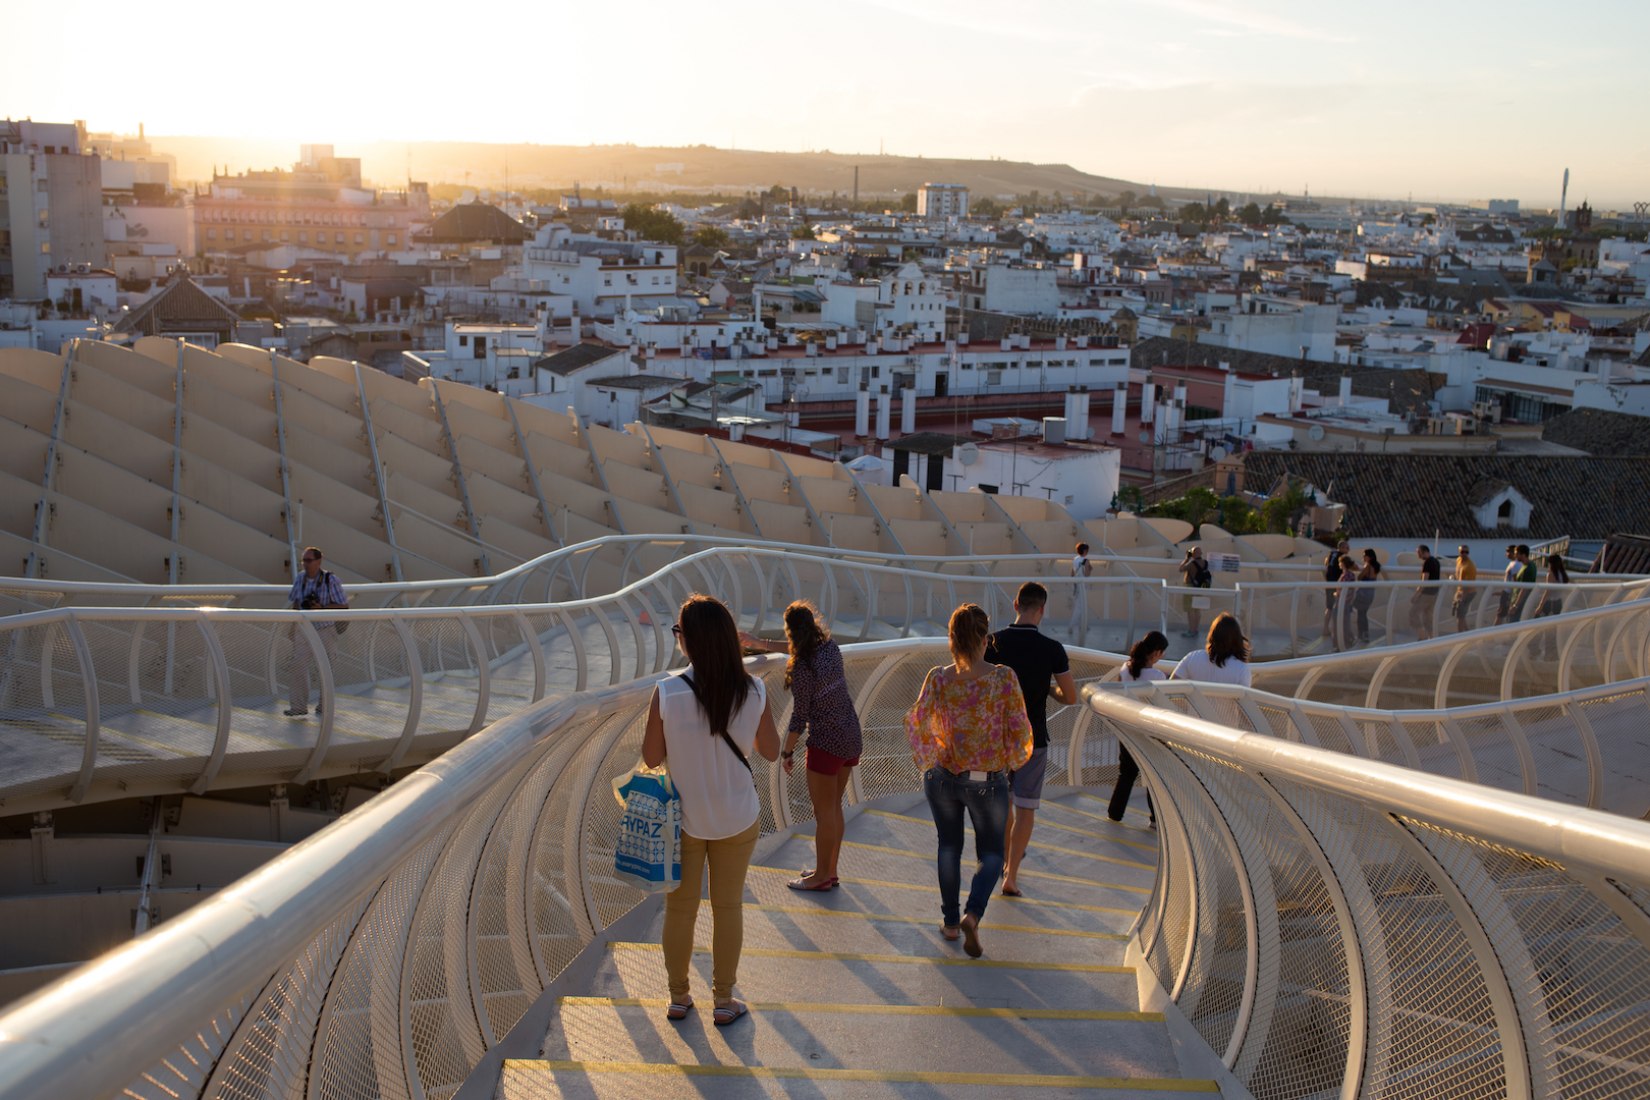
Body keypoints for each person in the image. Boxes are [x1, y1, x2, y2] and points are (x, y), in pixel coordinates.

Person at [642, 594, 781, 1027]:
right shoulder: (753, 689)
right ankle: (724, 1000)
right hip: (738, 815)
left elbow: (650, 757)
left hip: (684, 818)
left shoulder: (666, 692)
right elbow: (772, 751)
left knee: (680, 909)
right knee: (728, 908)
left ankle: (679, 997)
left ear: (688, 640)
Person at [905, 604, 1033, 959]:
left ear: (952, 638)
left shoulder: (939, 677)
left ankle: (948, 923)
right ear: (985, 638)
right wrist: (1010, 759)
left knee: (948, 846)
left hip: (944, 777)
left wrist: (932, 755)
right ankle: (972, 914)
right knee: (992, 853)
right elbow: (1020, 728)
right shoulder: (1003, 678)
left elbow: (916, 721)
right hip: (988, 780)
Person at [740, 601, 862, 892]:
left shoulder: (803, 666)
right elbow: (798, 646)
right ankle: (829, 871)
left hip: (825, 743)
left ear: (790, 630)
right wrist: (760, 643)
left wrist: (787, 751)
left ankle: (820, 877)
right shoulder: (829, 648)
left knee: (823, 814)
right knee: (834, 808)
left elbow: (800, 716)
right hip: (850, 735)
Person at [986, 583, 1077, 899]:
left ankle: (1001, 860)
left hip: (997, 737)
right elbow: (1071, 696)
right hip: (1033, 738)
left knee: (1002, 802)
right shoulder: (1052, 649)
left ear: (1015, 604)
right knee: (1025, 807)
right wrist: (1050, 690)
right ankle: (1011, 875)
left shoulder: (993, 642)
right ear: (1043, 609)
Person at [1110, 630, 1168, 826]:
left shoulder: (1125, 668)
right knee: (1153, 775)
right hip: (1148, 730)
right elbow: (1163, 703)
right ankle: (1155, 818)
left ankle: (1115, 813)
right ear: (1156, 653)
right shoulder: (1157, 675)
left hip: (1127, 727)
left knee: (1126, 773)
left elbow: (1118, 693)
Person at [285, 546, 348, 717]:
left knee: (326, 668)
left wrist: (322, 607)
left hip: (325, 628)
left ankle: (325, 706)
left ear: (319, 561)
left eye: (308, 560)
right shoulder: (300, 578)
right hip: (303, 628)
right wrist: (294, 621)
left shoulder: (331, 580)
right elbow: (296, 603)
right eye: (303, 560)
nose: (305, 564)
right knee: (298, 666)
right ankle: (298, 707)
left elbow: (343, 606)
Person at [1173, 612, 1253, 688]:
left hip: (1195, 702)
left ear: (1212, 635)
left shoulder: (1192, 658)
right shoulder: (1241, 669)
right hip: (1226, 702)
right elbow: (1244, 700)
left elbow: (1170, 687)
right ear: (1237, 639)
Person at [1532, 553, 1570, 658]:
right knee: (1554, 628)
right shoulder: (1562, 574)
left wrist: (1540, 605)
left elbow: (1547, 591)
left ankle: (1543, 652)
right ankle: (1553, 653)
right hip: (1558, 603)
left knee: (1542, 627)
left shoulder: (1551, 574)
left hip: (1550, 604)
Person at [1178, 545, 1212, 638]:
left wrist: (1186, 559)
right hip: (1200, 588)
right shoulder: (1205, 563)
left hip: (1190, 587)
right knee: (1197, 609)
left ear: (1193, 554)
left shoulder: (1192, 563)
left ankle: (1191, 630)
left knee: (1190, 610)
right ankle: (1196, 629)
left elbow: (1181, 569)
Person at [1410, 545, 1441, 641]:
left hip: (1426, 594)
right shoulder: (1436, 561)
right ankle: (1431, 638)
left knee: (1413, 613)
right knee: (1427, 616)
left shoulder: (1427, 563)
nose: (1418, 555)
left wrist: (1416, 595)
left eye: (1419, 552)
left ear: (1424, 552)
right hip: (1434, 594)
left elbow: (1424, 581)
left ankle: (1422, 636)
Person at [1322, 539, 1350, 643]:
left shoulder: (1331, 554)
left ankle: (1325, 628)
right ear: (1341, 548)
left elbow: (1326, 564)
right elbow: (1350, 567)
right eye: (1347, 548)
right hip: (1337, 584)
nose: (1348, 550)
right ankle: (1337, 631)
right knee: (1338, 608)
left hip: (1329, 583)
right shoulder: (1343, 557)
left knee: (1329, 607)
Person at [1352, 548, 1381, 645]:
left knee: (1360, 613)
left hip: (1363, 593)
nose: (1363, 557)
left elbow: (1359, 577)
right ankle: (1365, 635)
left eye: (1365, 555)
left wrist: (1360, 569)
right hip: (1370, 593)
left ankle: (1361, 635)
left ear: (1369, 557)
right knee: (1363, 614)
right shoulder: (1376, 567)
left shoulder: (1368, 566)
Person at [1507, 544, 1539, 622]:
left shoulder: (1528, 568)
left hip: (1521, 602)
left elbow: (1524, 588)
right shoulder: (1528, 565)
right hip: (1519, 600)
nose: (1515, 555)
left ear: (1523, 555)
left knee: (1513, 624)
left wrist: (1515, 606)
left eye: (1517, 554)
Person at [1068, 541, 1093, 636]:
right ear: (1085, 551)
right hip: (1083, 586)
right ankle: (1071, 626)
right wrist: (1089, 569)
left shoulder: (1075, 559)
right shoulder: (1086, 560)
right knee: (1080, 607)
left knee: (1080, 606)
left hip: (1076, 585)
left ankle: (1083, 626)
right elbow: (1086, 575)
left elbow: (1072, 573)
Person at [1334, 553, 1358, 651]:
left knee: (1344, 622)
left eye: (1340, 562)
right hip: (1342, 601)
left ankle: (1349, 640)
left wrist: (1342, 596)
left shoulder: (1348, 575)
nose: (1339, 564)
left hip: (1344, 602)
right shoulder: (1345, 574)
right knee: (1342, 622)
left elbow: (1348, 589)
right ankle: (1344, 641)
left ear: (1343, 563)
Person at [1452, 546, 1478, 633]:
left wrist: (1463, 596)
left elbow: (1468, 585)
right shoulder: (1458, 560)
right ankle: (1467, 633)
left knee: (1460, 615)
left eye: (1466, 552)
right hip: (1460, 591)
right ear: (1459, 552)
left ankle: (1460, 636)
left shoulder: (1469, 566)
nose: (1464, 554)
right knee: (1460, 615)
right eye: (1462, 552)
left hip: (1468, 592)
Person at [1494, 544, 1519, 625]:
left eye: (1508, 551)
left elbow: (1516, 582)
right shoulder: (1512, 564)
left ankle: (1493, 635)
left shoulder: (1515, 565)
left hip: (1508, 594)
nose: (1506, 553)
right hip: (1506, 593)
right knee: (1500, 614)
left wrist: (1512, 596)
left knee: (1501, 615)